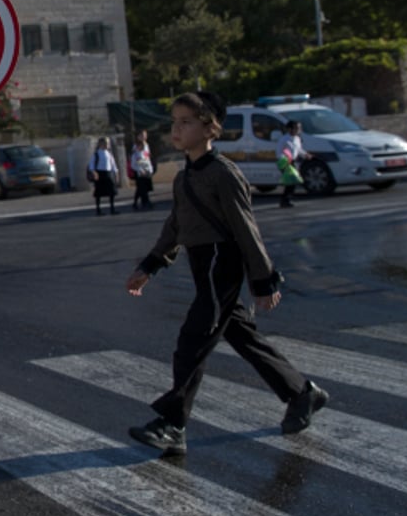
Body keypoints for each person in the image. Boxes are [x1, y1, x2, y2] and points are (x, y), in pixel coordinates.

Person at [124, 91, 328, 456]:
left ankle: (173, 423)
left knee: (194, 339)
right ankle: (302, 393)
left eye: (186, 122)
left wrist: (263, 279)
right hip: (202, 264)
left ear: (210, 127)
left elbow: (246, 228)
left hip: (223, 260)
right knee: (243, 336)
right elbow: (175, 227)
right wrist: (150, 265)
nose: (177, 128)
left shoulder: (224, 173)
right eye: (174, 122)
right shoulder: (185, 177)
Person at [276, 120, 306, 208]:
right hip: (285, 162)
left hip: (293, 161)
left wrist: (305, 154)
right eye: (296, 128)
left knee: (293, 181)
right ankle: (285, 200)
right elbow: (278, 152)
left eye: (299, 128)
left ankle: (287, 199)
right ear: (290, 129)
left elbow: (299, 150)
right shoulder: (284, 139)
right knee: (290, 181)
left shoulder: (297, 139)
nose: (298, 130)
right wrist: (284, 162)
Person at [88, 136, 119, 216]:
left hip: (108, 174)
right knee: (99, 193)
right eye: (105, 143)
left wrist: (116, 173)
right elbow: (91, 165)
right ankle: (98, 210)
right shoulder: (96, 154)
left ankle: (112, 208)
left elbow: (113, 165)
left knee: (112, 191)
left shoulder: (109, 154)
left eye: (108, 143)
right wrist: (94, 173)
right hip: (100, 174)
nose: (107, 145)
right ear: (100, 144)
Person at [129, 129, 155, 211]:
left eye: (145, 135)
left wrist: (150, 168)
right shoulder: (136, 147)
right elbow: (135, 159)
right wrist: (139, 169)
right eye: (142, 135)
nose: (144, 137)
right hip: (139, 170)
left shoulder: (146, 145)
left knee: (144, 187)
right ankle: (144, 202)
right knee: (141, 187)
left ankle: (139, 202)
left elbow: (147, 157)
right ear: (138, 136)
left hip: (146, 168)